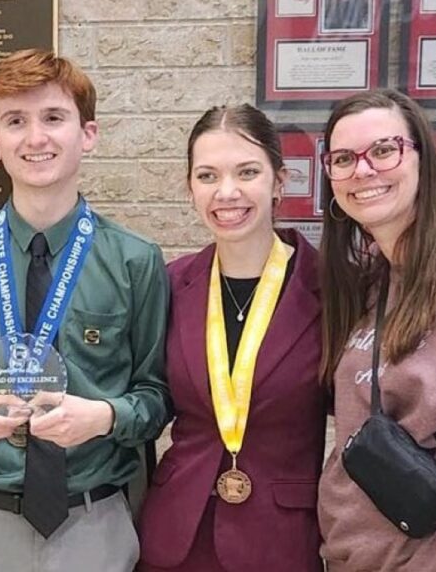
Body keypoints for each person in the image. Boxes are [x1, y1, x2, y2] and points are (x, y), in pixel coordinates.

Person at [0, 48, 170, 571]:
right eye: (15, 121)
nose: (35, 138)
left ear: (88, 134)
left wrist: (105, 416)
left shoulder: (135, 260)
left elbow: (157, 396)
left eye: (54, 118)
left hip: (94, 520)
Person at [137, 105, 327, 571]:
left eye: (247, 172)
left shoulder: (331, 289)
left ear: (279, 181)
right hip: (177, 536)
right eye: (207, 175)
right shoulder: (170, 284)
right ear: (189, 189)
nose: (227, 192)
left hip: (281, 540)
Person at [318, 89, 436, 570]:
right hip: (356, 554)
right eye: (344, 158)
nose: (363, 171)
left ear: (421, 155)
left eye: (384, 150)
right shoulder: (369, 279)